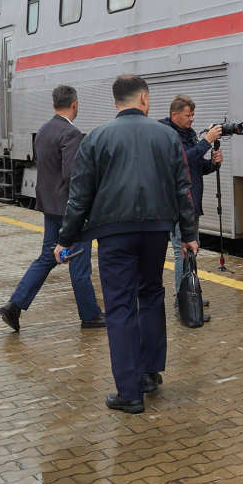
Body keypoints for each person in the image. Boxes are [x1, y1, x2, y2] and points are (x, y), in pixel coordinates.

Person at [54, 75, 198, 414]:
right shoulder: (167, 137)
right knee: (151, 295)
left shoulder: (97, 138)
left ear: (116, 102)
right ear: (144, 99)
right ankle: (150, 372)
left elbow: (80, 195)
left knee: (119, 306)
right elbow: (182, 190)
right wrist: (189, 234)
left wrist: (65, 237)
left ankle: (129, 392)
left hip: (113, 234)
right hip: (156, 231)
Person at [0, 85, 104, 332]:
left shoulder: (44, 130)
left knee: (48, 256)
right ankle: (90, 315)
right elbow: (72, 175)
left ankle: (15, 305)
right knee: (79, 263)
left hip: (50, 207)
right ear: (75, 104)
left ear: (54, 103)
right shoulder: (71, 133)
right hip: (70, 210)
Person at [160, 96, 223, 295]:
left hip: (192, 203)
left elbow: (196, 166)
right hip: (178, 204)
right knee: (182, 252)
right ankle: (182, 299)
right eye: (188, 115)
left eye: (193, 114)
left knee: (192, 250)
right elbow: (183, 160)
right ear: (174, 115)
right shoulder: (168, 135)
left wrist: (213, 164)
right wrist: (206, 142)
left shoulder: (189, 134)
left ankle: (190, 294)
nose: (192, 119)